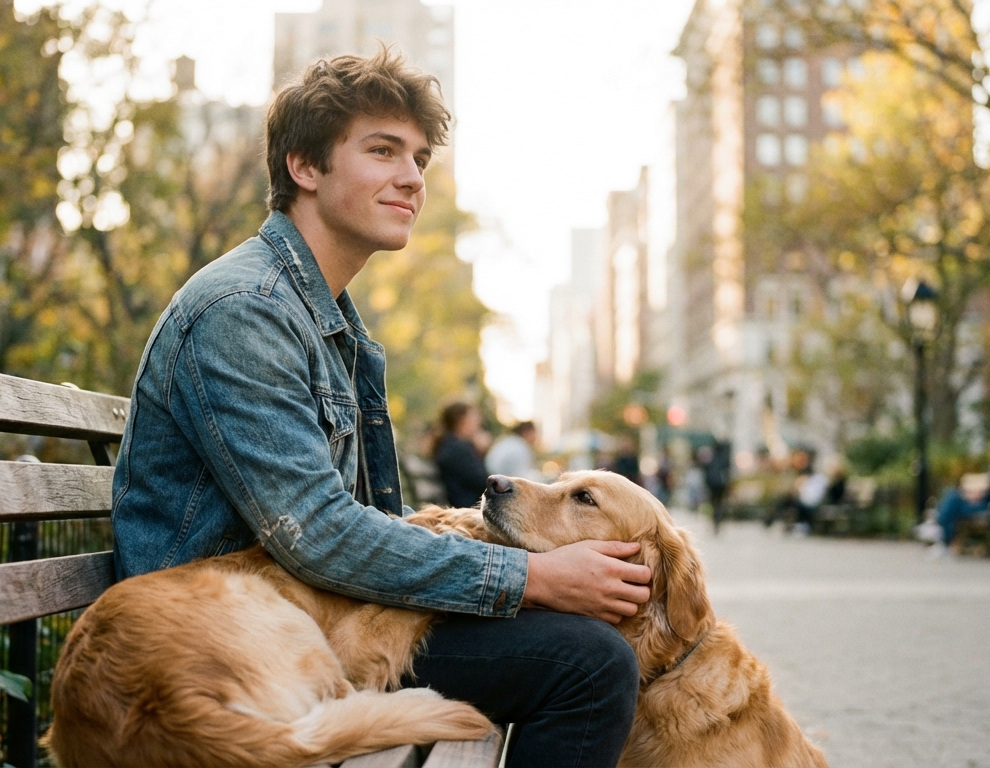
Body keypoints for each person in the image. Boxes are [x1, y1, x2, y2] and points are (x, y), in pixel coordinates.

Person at [109, 50, 651, 767]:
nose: (413, 178)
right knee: (588, 664)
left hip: (305, 629)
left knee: (589, 648)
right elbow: (320, 534)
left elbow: (351, 527)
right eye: (383, 151)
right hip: (218, 655)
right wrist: (532, 578)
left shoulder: (326, 319)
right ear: (304, 166)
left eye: (419, 158)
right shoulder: (245, 311)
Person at [917, 444, 990, 557]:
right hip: (986, 504)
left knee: (954, 501)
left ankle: (940, 531)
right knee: (952, 495)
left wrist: (981, 496)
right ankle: (939, 529)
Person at [434, 402, 490, 507]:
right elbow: (484, 483)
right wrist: (481, 452)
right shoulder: (457, 449)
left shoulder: (450, 444)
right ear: (461, 420)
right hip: (467, 507)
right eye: (474, 417)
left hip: (463, 505)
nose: (479, 421)